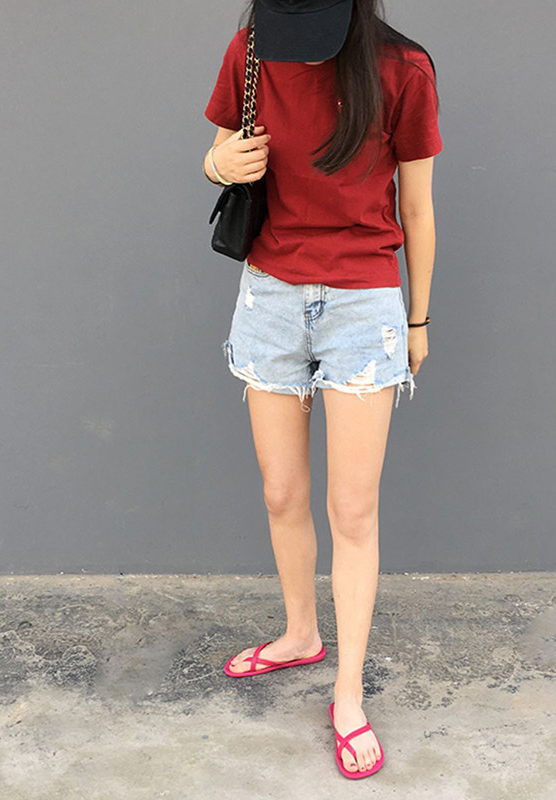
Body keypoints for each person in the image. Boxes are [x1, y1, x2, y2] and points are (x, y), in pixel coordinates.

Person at [202, 0, 442, 780]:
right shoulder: (251, 48)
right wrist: (220, 165)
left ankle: (347, 692)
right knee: (281, 493)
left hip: (363, 301)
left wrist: (417, 318)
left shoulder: (404, 70)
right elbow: (217, 153)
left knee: (353, 510)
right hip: (270, 295)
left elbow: (417, 206)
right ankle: (301, 634)